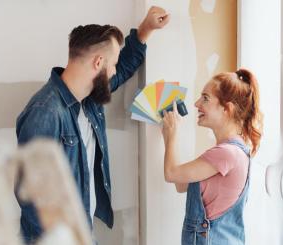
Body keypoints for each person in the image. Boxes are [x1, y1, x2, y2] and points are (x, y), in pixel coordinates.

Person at [16, 6, 170, 243]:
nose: (114, 71)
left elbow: (124, 68)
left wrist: (145, 30)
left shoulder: (88, 100)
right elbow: (31, 196)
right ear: (99, 62)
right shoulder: (45, 111)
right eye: (112, 64)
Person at [161, 69, 263, 244]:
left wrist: (172, 135)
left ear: (227, 109)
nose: (196, 103)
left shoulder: (226, 154)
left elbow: (171, 174)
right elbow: (181, 184)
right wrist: (168, 135)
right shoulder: (233, 152)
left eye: (205, 98)